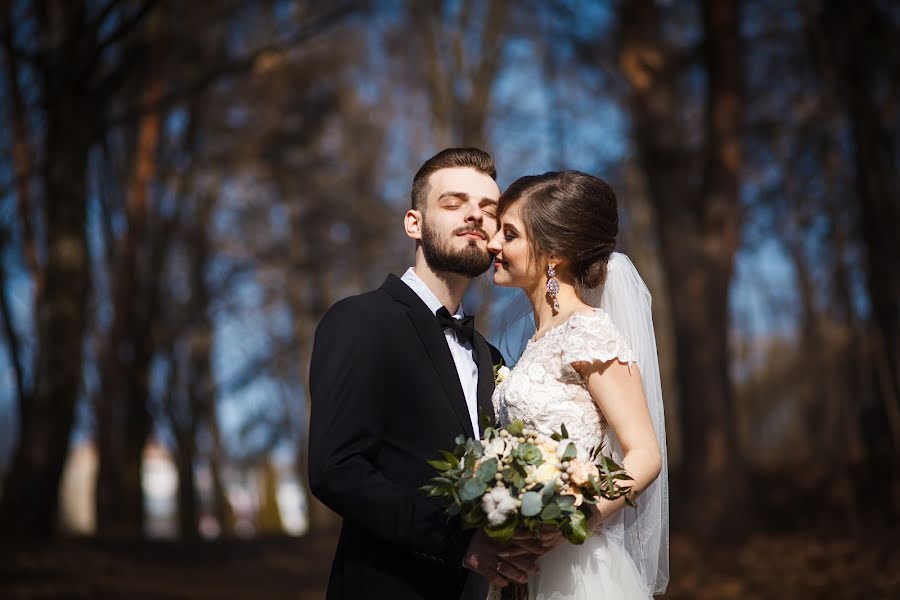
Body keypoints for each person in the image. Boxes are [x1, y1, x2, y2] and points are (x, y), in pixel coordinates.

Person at [308, 148, 541, 600]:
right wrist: (459, 543)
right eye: (453, 204)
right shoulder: (360, 320)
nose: (475, 215)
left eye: (488, 210)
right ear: (414, 223)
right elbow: (336, 471)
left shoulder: (491, 357)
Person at [486, 170, 670, 599]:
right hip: (521, 563)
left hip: (577, 570)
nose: (493, 244)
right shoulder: (534, 342)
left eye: (508, 234)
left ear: (554, 254)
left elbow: (644, 455)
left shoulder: (587, 333)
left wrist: (574, 518)